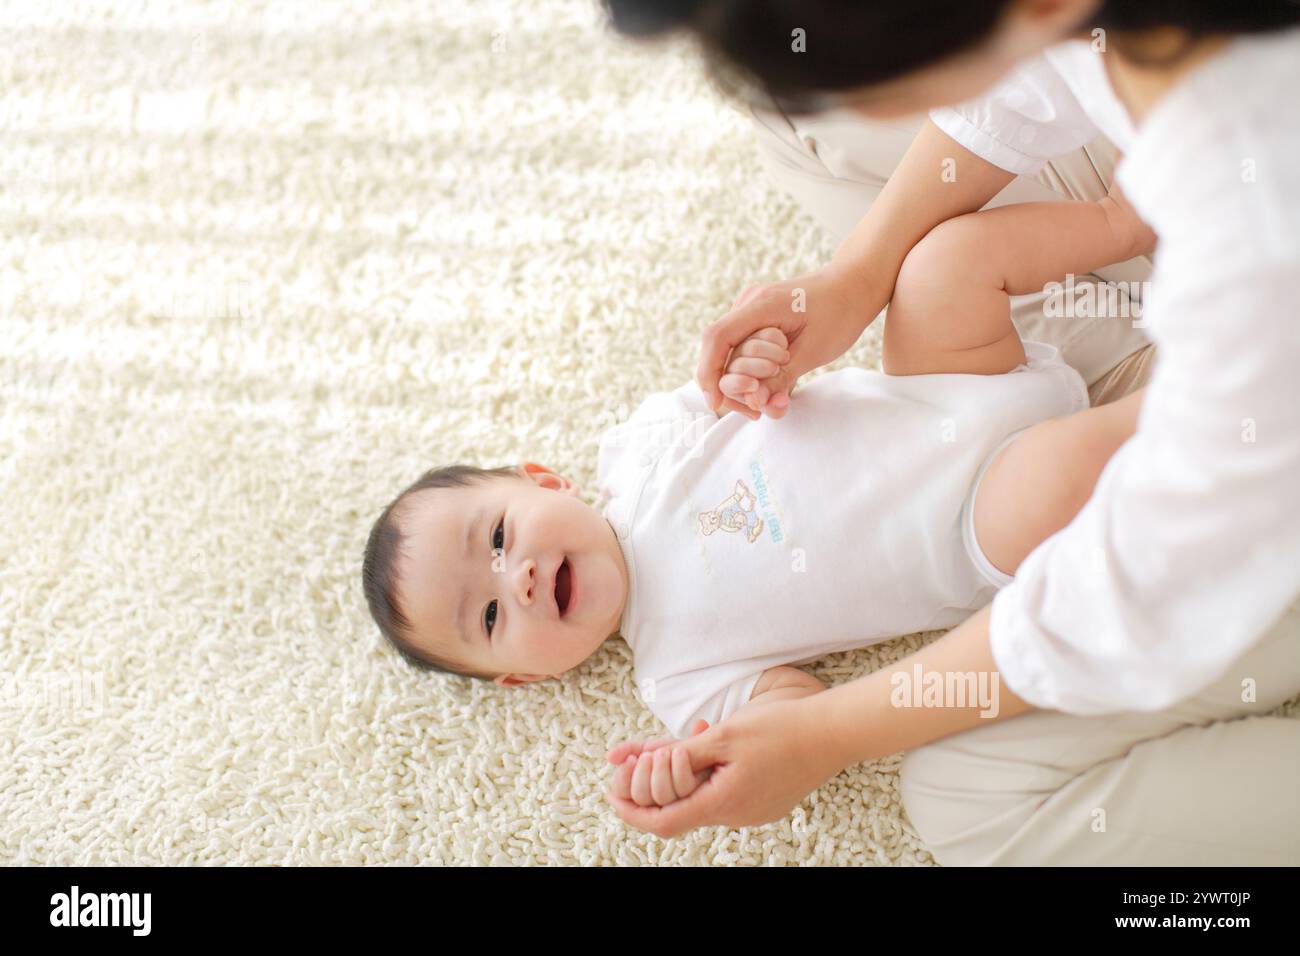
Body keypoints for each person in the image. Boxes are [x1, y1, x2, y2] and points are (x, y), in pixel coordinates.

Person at [601, 0, 1300, 864]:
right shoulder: (674, 665)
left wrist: (826, 736)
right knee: (806, 133)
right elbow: (1032, 82)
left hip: (1213, 439)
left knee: (965, 794)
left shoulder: (1258, 230)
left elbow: (1119, 593)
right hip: (1003, 381)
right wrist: (857, 277)